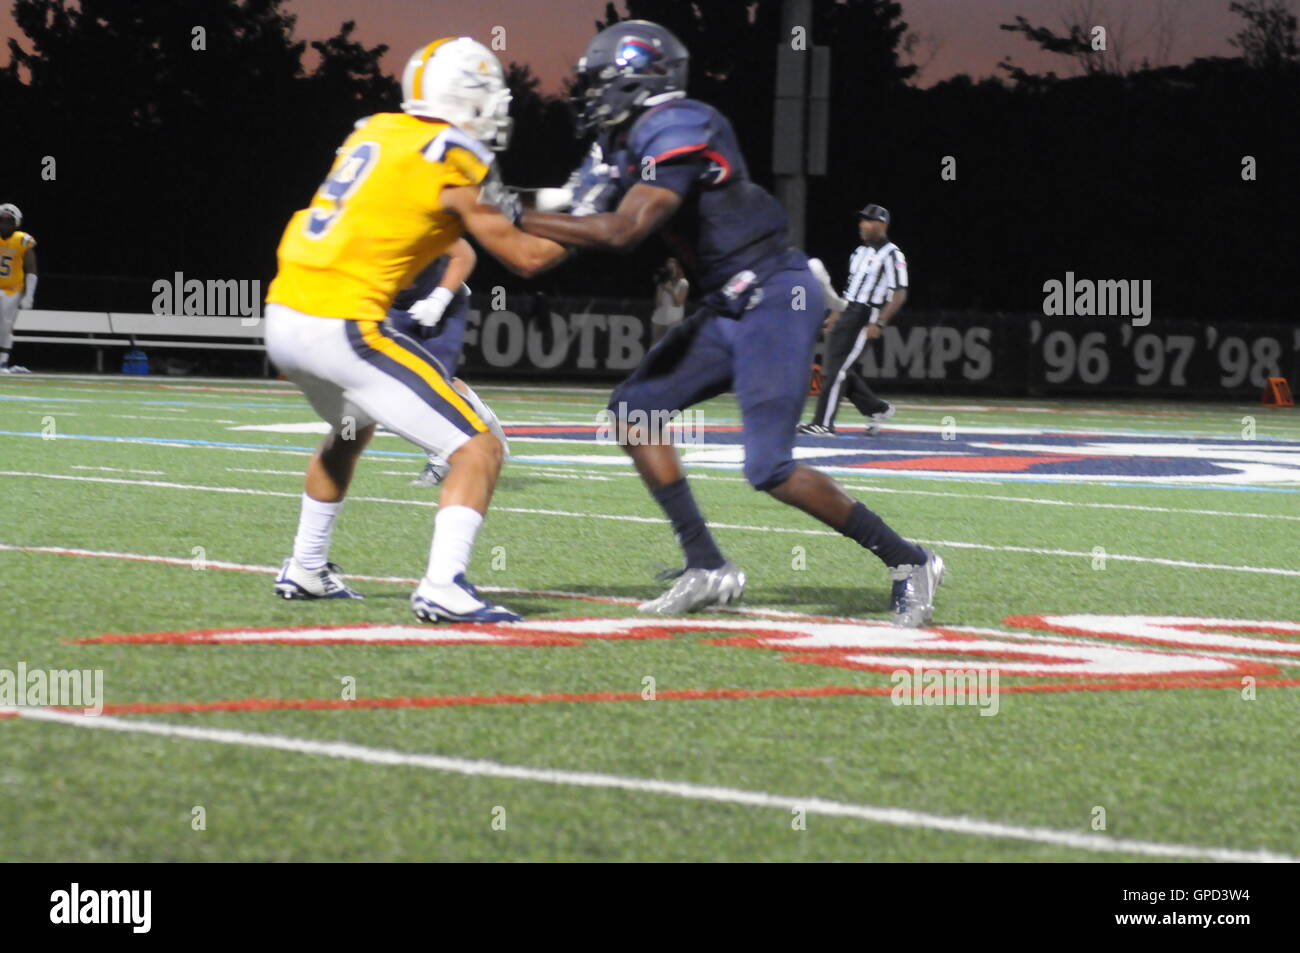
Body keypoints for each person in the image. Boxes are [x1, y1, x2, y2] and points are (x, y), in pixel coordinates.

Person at [515, 21, 943, 626]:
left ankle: (909, 560)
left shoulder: (681, 122)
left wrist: (505, 208)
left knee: (768, 467)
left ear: (640, 79)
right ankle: (707, 565)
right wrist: (487, 201)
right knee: (634, 411)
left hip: (773, 296)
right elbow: (567, 209)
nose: (588, 94)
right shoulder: (619, 144)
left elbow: (623, 229)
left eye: (598, 82)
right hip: (724, 306)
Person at [263, 36, 568, 623]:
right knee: (478, 446)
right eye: (487, 95)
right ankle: (443, 586)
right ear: (464, 97)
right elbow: (525, 254)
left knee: (351, 428)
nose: (497, 109)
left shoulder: (376, 131)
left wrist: (561, 200)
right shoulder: (452, 151)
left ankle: (305, 566)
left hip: (285, 314)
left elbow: (478, 204)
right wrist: (600, 227)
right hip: (342, 324)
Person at [384, 237, 510, 486]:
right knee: (399, 388)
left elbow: (462, 254)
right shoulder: (354, 231)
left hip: (444, 296)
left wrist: (438, 300)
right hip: (393, 307)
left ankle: (440, 460)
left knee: (435, 382)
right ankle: (486, 429)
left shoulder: (410, 217)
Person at [800, 204, 909, 436]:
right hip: (849, 311)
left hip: (866, 314)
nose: (862, 225)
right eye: (861, 220)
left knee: (838, 370)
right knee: (836, 369)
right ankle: (877, 408)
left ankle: (823, 423)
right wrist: (836, 313)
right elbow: (850, 291)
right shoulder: (859, 253)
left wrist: (879, 322)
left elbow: (899, 293)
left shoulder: (892, 254)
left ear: (882, 224)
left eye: (868, 221)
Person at [0, 203, 37, 374]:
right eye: (1, 220)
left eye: (8, 221)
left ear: (16, 223)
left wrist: (29, 295)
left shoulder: (22, 240)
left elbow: (31, 269)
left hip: (12, 289)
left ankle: (2, 363)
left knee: (6, 326)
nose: (4, 224)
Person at [650, 257, 689, 343]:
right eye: (669, 268)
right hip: (659, 320)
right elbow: (658, 303)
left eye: (672, 268)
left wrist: (671, 291)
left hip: (674, 320)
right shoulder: (662, 282)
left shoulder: (683, 283)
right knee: (655, 348)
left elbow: (678, 303)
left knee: (671, 347)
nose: (671, 271)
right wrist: (660, 286)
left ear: (677, 269)